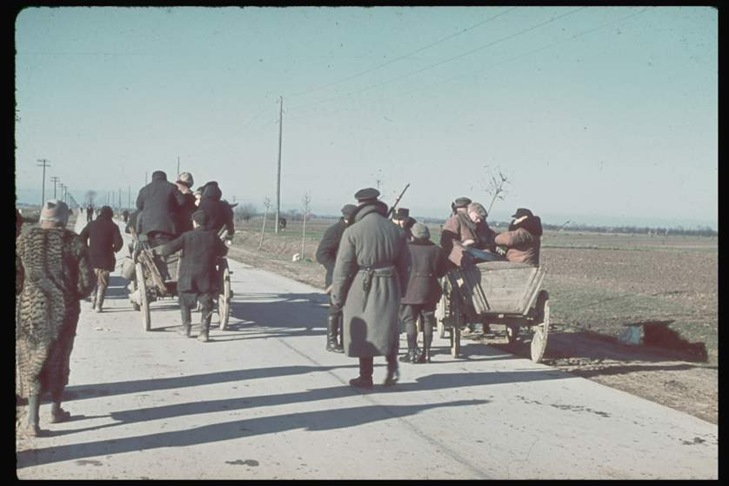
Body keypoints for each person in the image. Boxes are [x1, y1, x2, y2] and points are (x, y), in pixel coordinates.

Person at [16, 199, 96, 437]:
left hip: (31, 310)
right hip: (64, 310)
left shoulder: (23, 241)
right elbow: (85, 283)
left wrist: (26, 292)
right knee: (59, 357)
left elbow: (16, 280)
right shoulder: (73, 242)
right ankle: (56, 410)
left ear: (42, 218)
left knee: (32, 360)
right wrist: (73, 294)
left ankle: (32, 421)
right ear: (63, 219)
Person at [330, 187, 410, 388]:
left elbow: (343, 267)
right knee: (388, 328)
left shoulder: (353, 231)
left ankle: (366, 375)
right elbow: (406, 265)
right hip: (391, 282)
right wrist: (403, 290)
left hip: (363, 284)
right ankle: (392, 371)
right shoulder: (396, 230)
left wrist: (338, 297)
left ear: (360, 205)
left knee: (365, 331)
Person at [157, 210, 229, 342]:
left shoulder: (187, 236)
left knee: (184, 299)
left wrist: (162, 251)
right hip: (207, 276)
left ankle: (186, 328)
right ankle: (204, 333)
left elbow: (167, 249)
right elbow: (224, 251)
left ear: (195, 222)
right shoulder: (213, 237)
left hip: (188, 276)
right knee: (207, 301)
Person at [399, 222, 450, 364]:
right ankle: (426, 354)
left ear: (413, 234)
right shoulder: (436, 250)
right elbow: (442, 272)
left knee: (409, 320)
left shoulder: (405, 250)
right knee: (428, 320)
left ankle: (411, 353)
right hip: (430, 290)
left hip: (410, 291)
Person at [315, 203, 358, 353]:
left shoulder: (354, 231)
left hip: (352, 276)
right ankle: (332, 341)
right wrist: (337, 270)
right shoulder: (335, 231)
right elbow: (321, 254)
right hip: (336, 277)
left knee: (349, 309)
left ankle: (346, 341)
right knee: (335, 308)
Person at [79, 205, 124, 313]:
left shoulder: (92, 224)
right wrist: (114, 249)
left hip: (91, 258)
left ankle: (93, 301)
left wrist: (86, 248)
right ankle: (99, 305)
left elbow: (81, 237)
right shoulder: (113, 226)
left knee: (93, 280)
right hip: (106, 258)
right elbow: (119, 243)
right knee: (103, 282)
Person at [135, 170, 187, 247]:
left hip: (146, 229)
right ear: (165, 178)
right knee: (166, 251)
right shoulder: (172, 187)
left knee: (147, 248)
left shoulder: (144, 189)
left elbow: (139, 205)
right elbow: (182, 202)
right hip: (168, 228)